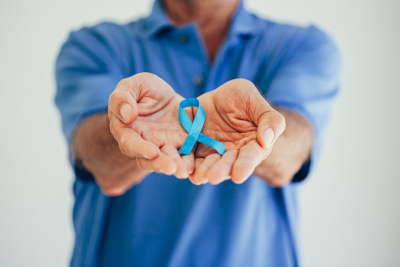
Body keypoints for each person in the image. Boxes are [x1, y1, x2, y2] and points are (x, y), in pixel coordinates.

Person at [55, 0, 341, 265]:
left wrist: (260, 130)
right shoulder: (94, 45)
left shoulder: (300, 45)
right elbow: (94, 156)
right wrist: (130, 125)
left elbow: (295, 150)